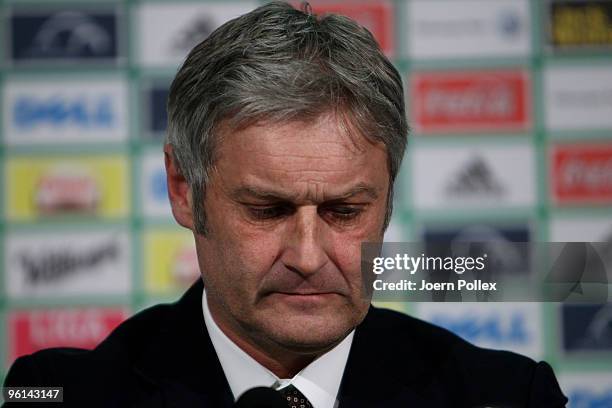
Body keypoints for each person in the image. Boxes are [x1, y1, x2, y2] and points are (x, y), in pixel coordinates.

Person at [4, 2, 567, 407]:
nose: (307, 255)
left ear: (389, 196)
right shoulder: (55, 393)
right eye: (267, 210)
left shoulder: (507, 395)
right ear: (183, 188)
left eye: (344, 211)